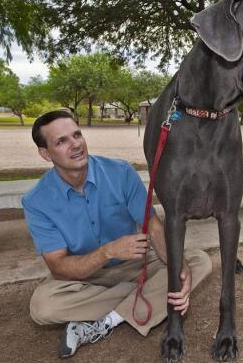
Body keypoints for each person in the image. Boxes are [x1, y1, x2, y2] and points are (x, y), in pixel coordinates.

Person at [22, 110, 212, 359]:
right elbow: (59, 268)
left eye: (77, 134)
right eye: (61, 141)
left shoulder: (120, 172)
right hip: (84, 278)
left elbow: (153, 227)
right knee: (42, 306)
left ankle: (105, 321)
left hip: (135, 265)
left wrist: (177, 265)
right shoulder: (36, 201)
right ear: (45, 154)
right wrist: (108, 251)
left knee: (197, 261)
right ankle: (145, 297)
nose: (75, 144)